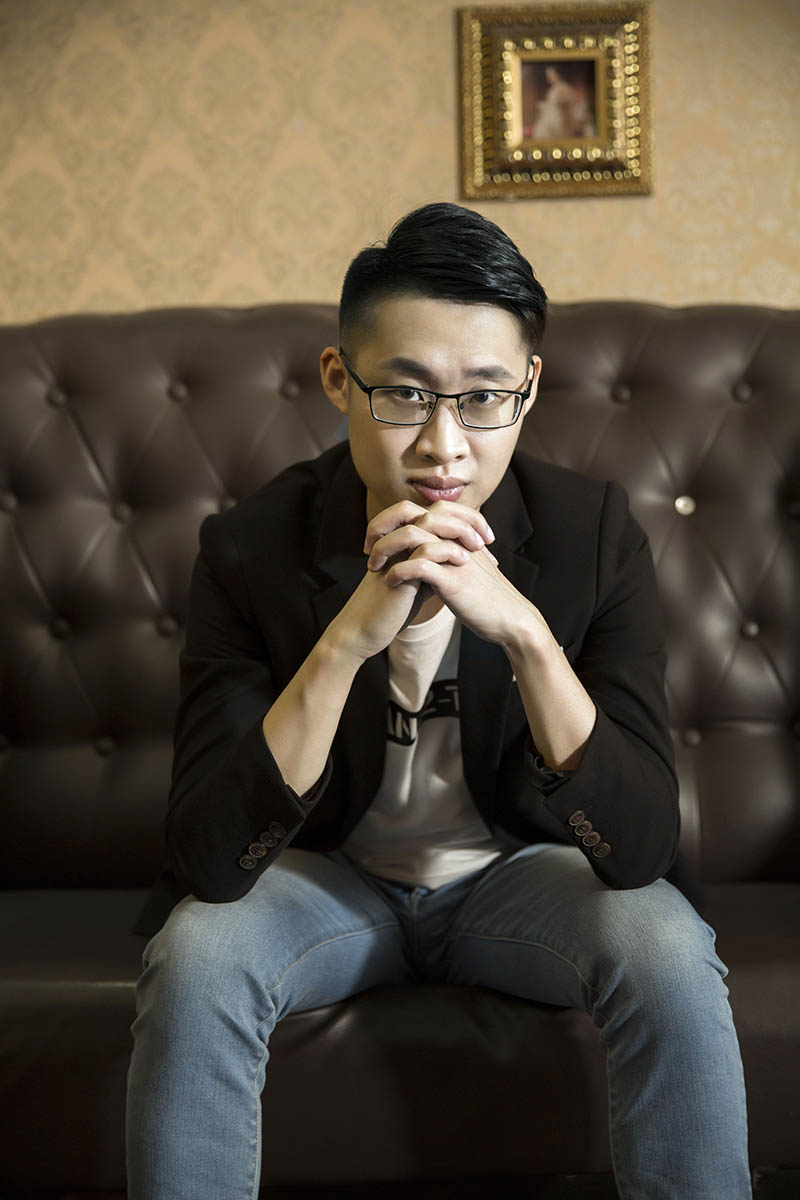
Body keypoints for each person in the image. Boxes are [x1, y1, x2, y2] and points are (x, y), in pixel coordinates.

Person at [126, 202, 752, 1199]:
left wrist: (525, 635)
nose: (444, 446)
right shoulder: (250, 547)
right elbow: (207, 856)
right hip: (327, 882)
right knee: (199, 954)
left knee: (664, 944)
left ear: (529, 388)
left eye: (484, 396)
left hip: (518, 880)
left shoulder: (590, 534)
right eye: (406, 394)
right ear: (340, 379)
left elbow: (638, 850)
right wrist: (345, 643)